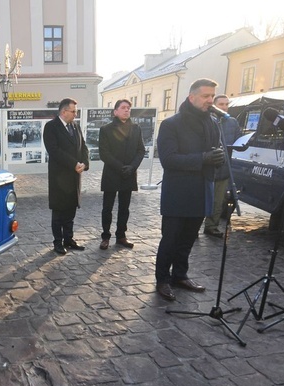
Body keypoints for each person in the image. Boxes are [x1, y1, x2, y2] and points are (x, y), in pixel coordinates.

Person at [155, 78, 226, 301]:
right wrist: (203, 158)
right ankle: (162, 279)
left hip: (202, 190)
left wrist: (218, 158)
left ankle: (180, 275)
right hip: (178, 193)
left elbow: (214, 151)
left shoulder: (212, 123)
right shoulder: (171, 124)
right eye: (205, 96)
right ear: (191, 97)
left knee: (188, 239)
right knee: (171, 239)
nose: (209, 101)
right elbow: (168, 160)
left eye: (212, 97)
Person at [43, 98, 90, 255]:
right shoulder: (51, 127)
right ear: (64, 112)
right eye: (73, 111)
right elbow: (54, 150)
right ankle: (57, 242)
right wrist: (74, 163)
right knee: (58, 212)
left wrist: (84, 163)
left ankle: (68, 239)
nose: (76, 114)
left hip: (74, 177)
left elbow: (83, 146)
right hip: (59, 178)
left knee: (70, 211)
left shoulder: (74, 126)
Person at [98, 99, 145, 250]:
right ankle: (105, 236)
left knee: (124, 208)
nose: (127, 110)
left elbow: (141, 150)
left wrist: (131, 167)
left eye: (129, 108)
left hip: (129, 174)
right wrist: (120, 167)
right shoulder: (106, 129)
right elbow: (104, 153)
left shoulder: (136, 128)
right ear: (115, 111)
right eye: (123, 108)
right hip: (112, 173)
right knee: (107, 207)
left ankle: (121, 236)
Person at [203, 94, 242, 238]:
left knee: (219, 200)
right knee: (202, 198)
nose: (225, 107)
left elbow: (238, 140)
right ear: (214, 106)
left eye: (226, 104)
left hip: (224, 168)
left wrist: (245, 143)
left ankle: (211, 226)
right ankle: (193, 227)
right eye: (221, 104)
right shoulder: (207, 121)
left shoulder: (232, 122)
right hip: (207, 167)